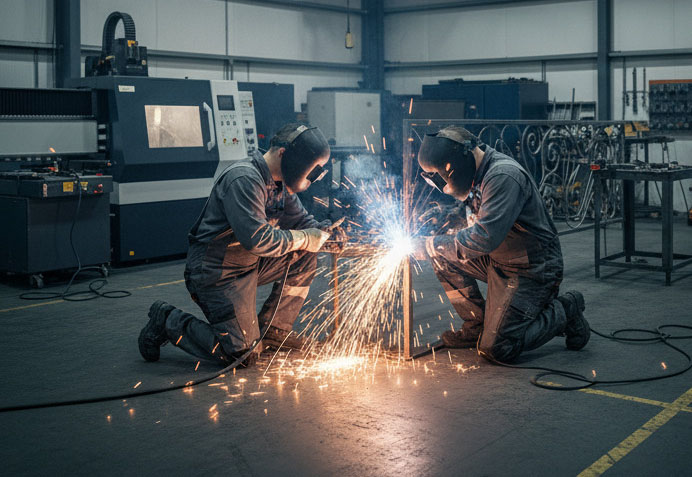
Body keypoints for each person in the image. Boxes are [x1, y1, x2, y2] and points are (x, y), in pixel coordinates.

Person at [138, 123, 341, 367]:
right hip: (216, 272)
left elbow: (302, 221)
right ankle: (167, 320)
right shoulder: (244, 179)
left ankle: (275, 330)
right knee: (243, 356)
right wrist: (307, 237)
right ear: (283, 155)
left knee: (304, 254)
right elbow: (258, 239)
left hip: (249, 265)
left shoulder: (279, 184)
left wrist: (325, 233)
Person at [413, 126, 590, 363]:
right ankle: (476, 324)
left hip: (532, 267)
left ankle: (565, 310)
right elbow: (474, 220)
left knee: (498, 349)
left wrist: (430, 245)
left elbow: (484, 237)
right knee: (442, 255)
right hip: (499, 258)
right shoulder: (478, 172)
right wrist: (438, 223)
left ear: (456, 164)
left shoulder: (503, 176)